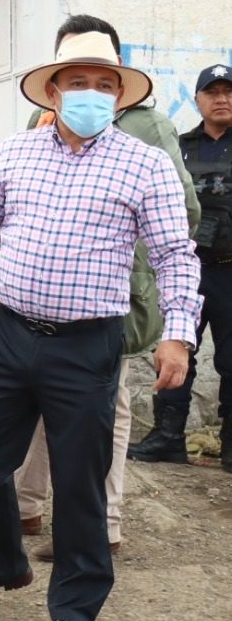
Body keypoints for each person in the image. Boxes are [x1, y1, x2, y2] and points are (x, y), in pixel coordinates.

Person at [0, 31, 200, 621]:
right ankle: (0, 563)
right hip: (8, 333)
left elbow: (174, 255)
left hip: (86, 348)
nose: (92, 94)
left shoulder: (146, 163)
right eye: (78, 82)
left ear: (119, 97)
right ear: (53, 92)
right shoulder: (16, 152)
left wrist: (178, 336)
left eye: (105, 85)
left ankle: (75, 608)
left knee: (81, 483)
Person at [12, 15, 202, 563]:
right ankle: (26, 504)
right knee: (43, 401)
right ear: (55, 76)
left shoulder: (149, 127)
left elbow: (182, 213)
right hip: (44, 297)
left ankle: (104, 524)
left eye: (102, 74)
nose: (88, 89)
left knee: (105, 407)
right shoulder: (39, 119)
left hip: (113, 294)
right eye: (74, 74)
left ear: (119, 74)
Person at [127, 63, 232, 474]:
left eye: (228, 91)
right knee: (173, 351)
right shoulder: (180, 146)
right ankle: (167, 439)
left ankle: (229, 448)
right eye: (213, 92)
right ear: (198, 100)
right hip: (186, 269)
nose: (221, 98)